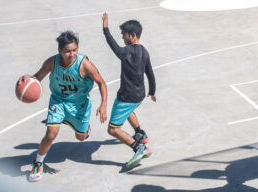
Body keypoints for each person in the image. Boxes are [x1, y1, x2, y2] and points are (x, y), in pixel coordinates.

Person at [22, 30, 108, 182]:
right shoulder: (51, 62)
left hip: (79, 105)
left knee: (81, 137)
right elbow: (37, 78)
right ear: (59, 51)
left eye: (74, 50)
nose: (72, 54)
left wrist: (103, 105)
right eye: (67, 51)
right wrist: (27, 81)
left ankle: (84, 129)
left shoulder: (85, 65)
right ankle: (38, 163)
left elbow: (101, 83)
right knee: (51, 134)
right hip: (59, 101)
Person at [102, 12, 157, 170]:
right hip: (139, 95)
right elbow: (150, 73)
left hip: (127, 96)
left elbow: (114, 47)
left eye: (123, 35)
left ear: (132, 35)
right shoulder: (144, 51)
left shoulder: (127, 52)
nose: (122, 38)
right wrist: (152, 91)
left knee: (113, 129)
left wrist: (105, 29)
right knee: (129, 111)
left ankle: (139, 148)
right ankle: (140, 133)